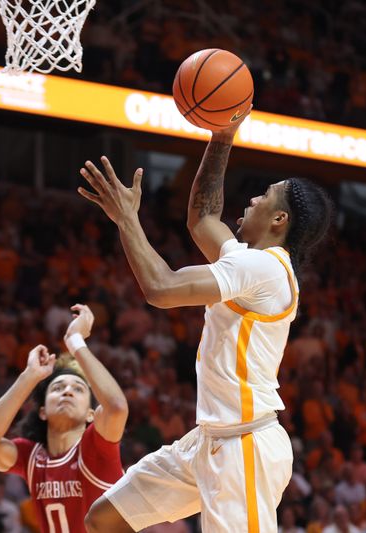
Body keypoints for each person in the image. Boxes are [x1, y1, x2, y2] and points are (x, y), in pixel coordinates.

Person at [78, 110, 334, 532]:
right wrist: (222, 134)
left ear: (279, 220)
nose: (251, 199)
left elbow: (161, 287)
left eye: (264, 196)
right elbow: (202, 218)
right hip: (208, 441)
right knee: (105, 520)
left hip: (244, 446)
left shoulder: (265, 269)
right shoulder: (248, 261)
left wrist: (126, 219)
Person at [0, 304, 128, 533]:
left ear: (90, 414)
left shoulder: (96, 447)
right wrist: (28, 377)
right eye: (58, 387)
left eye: (78, 389)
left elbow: (116, 407)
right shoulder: (31, 456)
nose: (67, 391)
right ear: (42, 411)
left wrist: (75, 341)